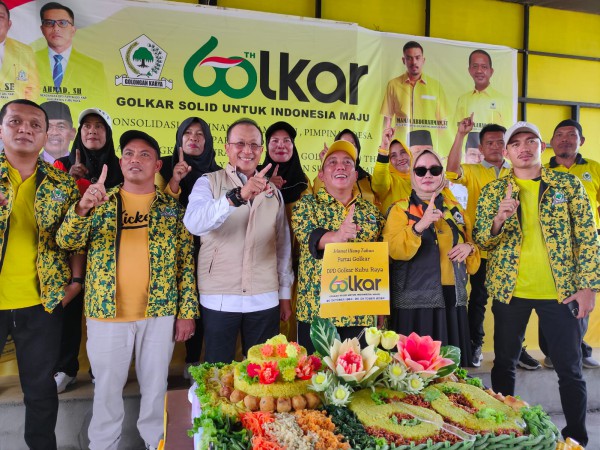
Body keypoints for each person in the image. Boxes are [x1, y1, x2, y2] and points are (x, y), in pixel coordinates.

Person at [56, 130, 198, 450]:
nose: (136, 160)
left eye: (145, 155)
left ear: (157, 165)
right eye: (129, 154)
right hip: (106, 314)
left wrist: (187, 312)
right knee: (107, 391)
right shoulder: (100, 201)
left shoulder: (172, 209)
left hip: (159, 313)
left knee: (155, 388)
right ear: (120, 163)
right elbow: (66, 242)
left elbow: (185, 264)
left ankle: (155, 443)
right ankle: (103, 445)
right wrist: (82, 208)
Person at [473, 121, 600, 446]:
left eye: (531, 141)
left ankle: (576, 439)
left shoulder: (567, 185)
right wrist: (499, 219)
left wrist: (589, 287)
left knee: (570, 370)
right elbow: (482, 241)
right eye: (516, 144)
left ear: (542, 147)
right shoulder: (494, 191)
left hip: (562, 293)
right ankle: (504, 433)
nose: (524, 148)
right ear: (506, 152)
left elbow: (588, 237)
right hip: (510, 292)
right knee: (504, 364)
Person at [0, 99, 79, 450]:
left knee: (41, 391)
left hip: (41, 303)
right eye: (15, 122)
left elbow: (74, 241)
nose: (25, 129)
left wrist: (75, 284)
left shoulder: (61, 184)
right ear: (1, 129)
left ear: (46, 135)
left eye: (35, 125)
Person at [183, 118, 293, 364]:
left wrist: (284, 293)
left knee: (263, 372)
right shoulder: (208, 182)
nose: (247, 150)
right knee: (217, 372)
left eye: (254, 145)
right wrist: (237, 197)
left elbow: (282, 246)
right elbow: (194, 223)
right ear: (227, 148)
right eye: (240, 143)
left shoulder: (273, 193)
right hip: (220, 297)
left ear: (261, 150)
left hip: (264, 296)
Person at [384, 149, 479, 367]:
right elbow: (394, 251)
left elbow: (472, 253)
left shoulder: (455, 209)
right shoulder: (400, 209)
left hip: (451, 300)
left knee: (450, 373)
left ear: (442, 175)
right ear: (412, 175)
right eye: (420, 170)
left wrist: (469, 248)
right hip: (414, 302)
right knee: (414, 375)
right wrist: (420, 225)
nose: (427, 175)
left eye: (434, 170)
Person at [292, 140, 385, 354]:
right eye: (332, 162)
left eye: (347, 162)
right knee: (315, 374)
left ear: (355, 175)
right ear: (322, 175)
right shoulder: (307, 206)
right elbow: (309, 237)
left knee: (360, 374)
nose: (340, 166)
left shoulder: (371, 212)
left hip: (361, 313)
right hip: (317, 315)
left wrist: (381, 305)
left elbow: (380, 261)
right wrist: (337, 236)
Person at [446, 116, 519, 368]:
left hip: (512, 251)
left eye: (501, 142)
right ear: (481, 148)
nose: (496, 146)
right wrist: (460, 134)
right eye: (490, 143)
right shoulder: (474, 170)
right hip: (482, 249)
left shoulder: (517, 172)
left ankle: (516, 349)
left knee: (515, 303)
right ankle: (474, 344)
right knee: (478, 300)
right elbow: (451, 171)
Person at [157, 116, 220, 379]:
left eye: (199, 134)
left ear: (208, 141)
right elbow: (156, 210)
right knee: (167, 304)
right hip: (167, 250)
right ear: (179, 138)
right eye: (188, 133)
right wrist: (175, 180)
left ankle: (192, 360)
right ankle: (157, 364)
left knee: (200, 306)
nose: (193, 138)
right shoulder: (162, 168)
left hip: (206, 250)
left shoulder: (218, 174)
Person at [541, 119, 600, 370]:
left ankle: (579, 349)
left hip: (585, 246)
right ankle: (550, 352)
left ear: (581, 140)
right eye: (559, 135)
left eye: (571, 135)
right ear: (551, 142)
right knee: (549, 301)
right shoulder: (542, 171)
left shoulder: (594, 168)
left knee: (582, 298)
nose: (565, 139)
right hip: (550, 247)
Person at [38, 101, 85, 394]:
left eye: (61, 126)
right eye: (49, 126)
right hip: (25, 273)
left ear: (71, 132)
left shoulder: (65, 181)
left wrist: (77, 280)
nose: (55, 132)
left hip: (68, 266)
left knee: (66, 320)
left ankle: (65, 368)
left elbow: (74, 232)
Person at [259, 121, 311, 342]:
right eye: (275, 141)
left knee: (294, 327)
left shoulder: (305, 183)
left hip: (300, 267)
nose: (281, 145)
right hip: (265, 267)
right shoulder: (254, 181)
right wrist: (266, 186)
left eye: (287, 141)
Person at [380, 41, 449, 151]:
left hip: (426, 146)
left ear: (423, 60)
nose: (414, 62)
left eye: (417, 58)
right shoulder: (394, 84)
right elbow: (387, 118)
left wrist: (439, 147)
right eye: (409, 58)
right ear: (404, 60)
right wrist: (385, 145)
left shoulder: (436, 86)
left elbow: (443, 122)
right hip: (402, 145)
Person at [35, 2, 108, 107]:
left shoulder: (94, 68)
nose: (56, 28)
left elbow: (101, 105)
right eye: (49, 23)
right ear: (42, 29)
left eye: (62, 23)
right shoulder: (29, 61)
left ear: (73, 30)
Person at [55, 108, 123, 193]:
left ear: (108, 133)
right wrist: (69, 181)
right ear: (80, 132)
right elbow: (50, 200)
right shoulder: (61, 165)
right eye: (87, 126)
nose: (92, 131)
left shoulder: (122, 168)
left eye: (98, 126)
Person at [314, 129, 379, 207]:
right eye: (344, 144)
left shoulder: (368, 179)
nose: (348, 147)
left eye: (353, 145)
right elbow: (316, 195)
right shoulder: (327, 175)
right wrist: (324, 163)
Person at [454, 49, 512, 131]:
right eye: (475, 66)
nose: (479, 71)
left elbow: (508, 131)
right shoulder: (462, 99)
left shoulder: (503, 101)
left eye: (484, 67)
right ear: (469, 70)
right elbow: (455, 130)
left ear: (491, 71)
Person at [0, 1, 40, 101]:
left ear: (9, 24)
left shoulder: (25, 51)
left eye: (0, 17)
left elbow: (33, 88)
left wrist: (20, 109)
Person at [372, 118, 411, 215]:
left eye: (403, 152)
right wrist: (384, 146)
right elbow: (379, 184)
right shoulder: (390, 180)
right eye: (393, 155)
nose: (400, 158)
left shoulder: (421, 178)